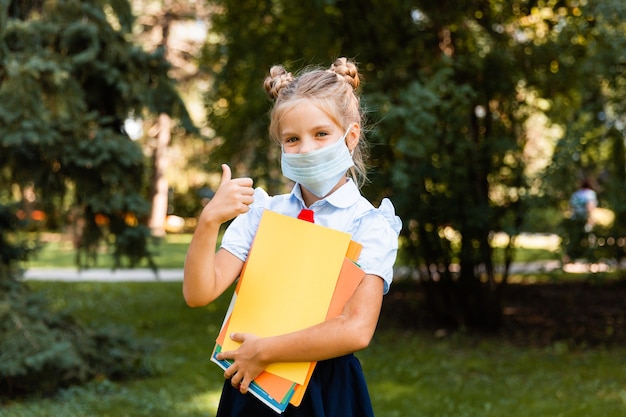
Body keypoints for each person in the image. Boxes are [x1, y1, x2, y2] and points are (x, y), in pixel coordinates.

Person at [183, 57, 401, 417]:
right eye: (292, 139)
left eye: (321, 134)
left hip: (326, 391)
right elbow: (198, 292)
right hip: (251, 386)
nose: (307, 148)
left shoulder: (369, 225)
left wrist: (266, 351)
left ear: (351, 135)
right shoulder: (262, 213)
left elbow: (357, 329)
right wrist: (209, 221)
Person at [564, 179, 598, 262]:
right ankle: (590, 258)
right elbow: (590, 207)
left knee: (574, 239)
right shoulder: (590, 194)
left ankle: (568, 257)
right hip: (585, 218)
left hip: (575, 218)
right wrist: (591, 219)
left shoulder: (576, 194)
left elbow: (570, 207)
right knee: (589, 238)